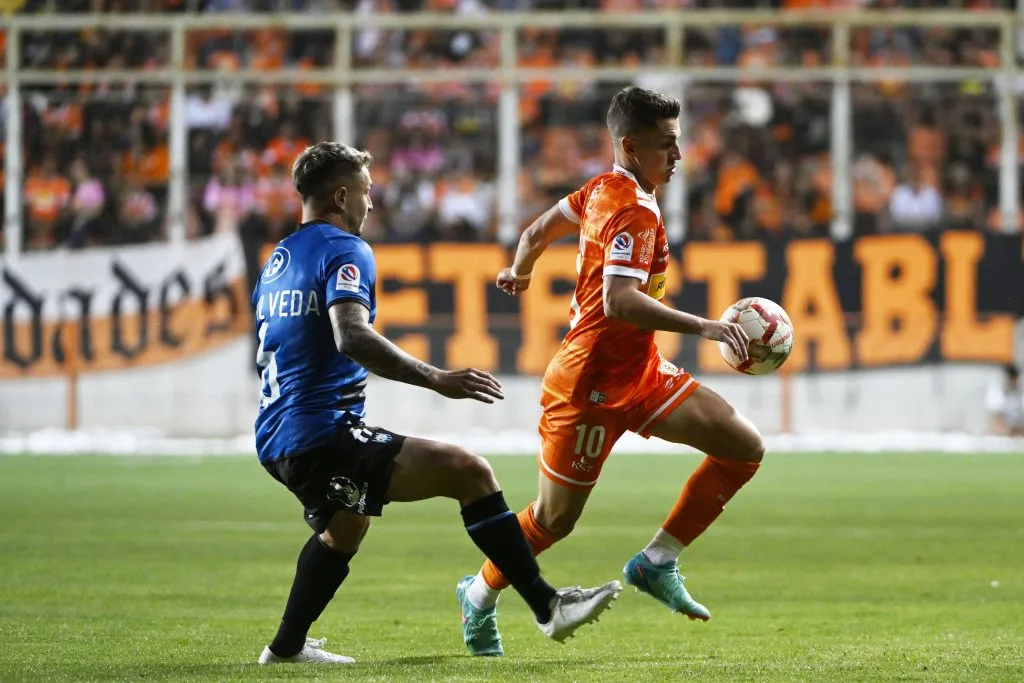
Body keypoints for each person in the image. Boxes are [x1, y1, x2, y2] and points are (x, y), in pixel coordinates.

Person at [253, 141, 622, 666]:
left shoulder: (277, 261)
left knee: (346, 527)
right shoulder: (344, 249)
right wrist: (437, 378)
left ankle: (286, 647)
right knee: (467, 471)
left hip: (276, 432)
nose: (371, 203)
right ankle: (547, 605)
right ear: (341, 195)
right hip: (319, 432)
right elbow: (351, 336)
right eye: (365, 191)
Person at [455, 86, 765, 657]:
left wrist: (519, 271)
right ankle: (477, 596)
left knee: (742, 446)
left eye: (678, 142)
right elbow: (621, 301)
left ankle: (656, 561)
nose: (678, 156)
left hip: (639, 370)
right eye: (666, 145)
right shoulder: (631, 211)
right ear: (630, 144)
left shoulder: (602, 189)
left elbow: (532, 234)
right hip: (587, 387)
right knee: (551, 521)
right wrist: (708, 328)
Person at [985, 363, 1024, 437]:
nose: (1012, 382)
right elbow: (995, 418)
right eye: (1010, 378)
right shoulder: (996, 389)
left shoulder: (1021, 389)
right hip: (1005, 429)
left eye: (1014, 378)